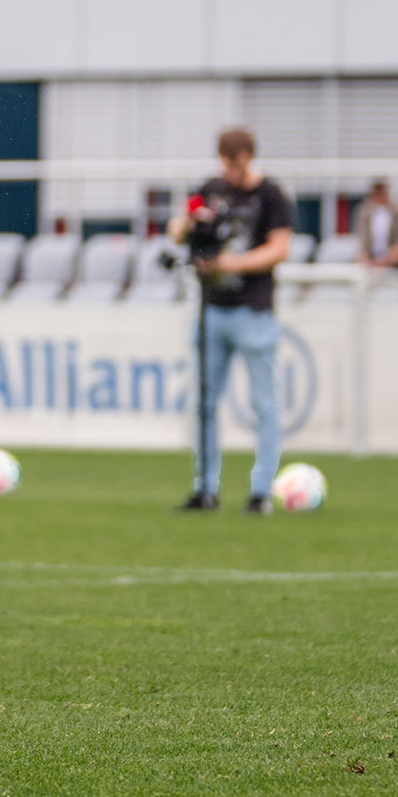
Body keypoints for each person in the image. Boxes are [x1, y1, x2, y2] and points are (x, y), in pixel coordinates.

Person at [170, 126, 292, 515]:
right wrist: (190, 222)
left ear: (249, 158)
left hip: (253, 309)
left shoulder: (270, 194)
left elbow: (279, 248)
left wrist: (229, 263)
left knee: (263, 404)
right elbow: (176, 231)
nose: (233, 173)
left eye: (238, 165)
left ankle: (261, 492)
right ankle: (205, 488)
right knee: (204, 402)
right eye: (227, 165)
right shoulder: (209, 189)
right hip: (211, 309)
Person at [353, 178, 398, 273]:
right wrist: (365, 259)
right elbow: (363, 241)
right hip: (371, 263)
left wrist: (384, 262)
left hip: (396, 264)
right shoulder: (365, 213)